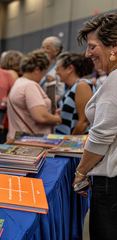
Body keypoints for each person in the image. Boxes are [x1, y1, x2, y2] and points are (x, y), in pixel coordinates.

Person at [72, 12, 117, 240]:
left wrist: (81, 172)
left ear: (114, 47)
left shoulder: (114, 82)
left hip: (111, 184)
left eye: (92, 46)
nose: (88, 54)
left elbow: (100, 137)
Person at [7, 50, 62, 140]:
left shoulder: (19, 82)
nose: (43, 75)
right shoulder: (30, 86)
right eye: (44, 71)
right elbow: (41, 117)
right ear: (37, 69)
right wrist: (57, 119)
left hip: (19, 138)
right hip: (32, 141)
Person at [55, 52, 96, 135]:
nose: (56, 73)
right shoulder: (72, 87)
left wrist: (69, 143)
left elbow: (84, 121)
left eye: (58, 69)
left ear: (70, 68)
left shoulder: (82, 85)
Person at [40, 36, 65, 113]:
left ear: (56, 51)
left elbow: (61, 92)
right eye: (42, 47)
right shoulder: (38, 66)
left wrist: (53, 83)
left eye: (47, 48)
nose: (44, 50)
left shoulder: (60, 67)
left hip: (52, 107)